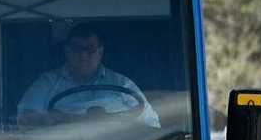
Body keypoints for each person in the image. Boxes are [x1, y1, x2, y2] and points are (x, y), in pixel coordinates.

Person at [17, 24, 159, 128]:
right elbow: (25, 121)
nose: (83, 55)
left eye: (90, 49)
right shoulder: (46, 83)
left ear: (100, 52)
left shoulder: (123, 84)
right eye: (76, 49)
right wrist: (52, 120)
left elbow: (151, 123)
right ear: (67, 51)